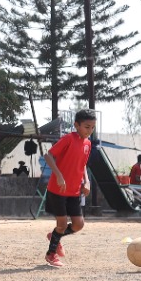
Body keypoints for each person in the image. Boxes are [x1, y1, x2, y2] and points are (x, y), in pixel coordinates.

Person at [42, 109, 97, 267]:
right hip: (58, 190)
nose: (90, 130)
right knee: (62, 224)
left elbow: (83, 164)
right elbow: (48, 155)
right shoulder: (68, 139)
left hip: (74, 191)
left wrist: (87, 181)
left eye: (92, 127)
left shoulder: (88, 144)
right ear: (76, 125)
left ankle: (55, 236)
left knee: (78, 224)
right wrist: (59, 175)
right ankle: (51, 254)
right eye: (87, 127)